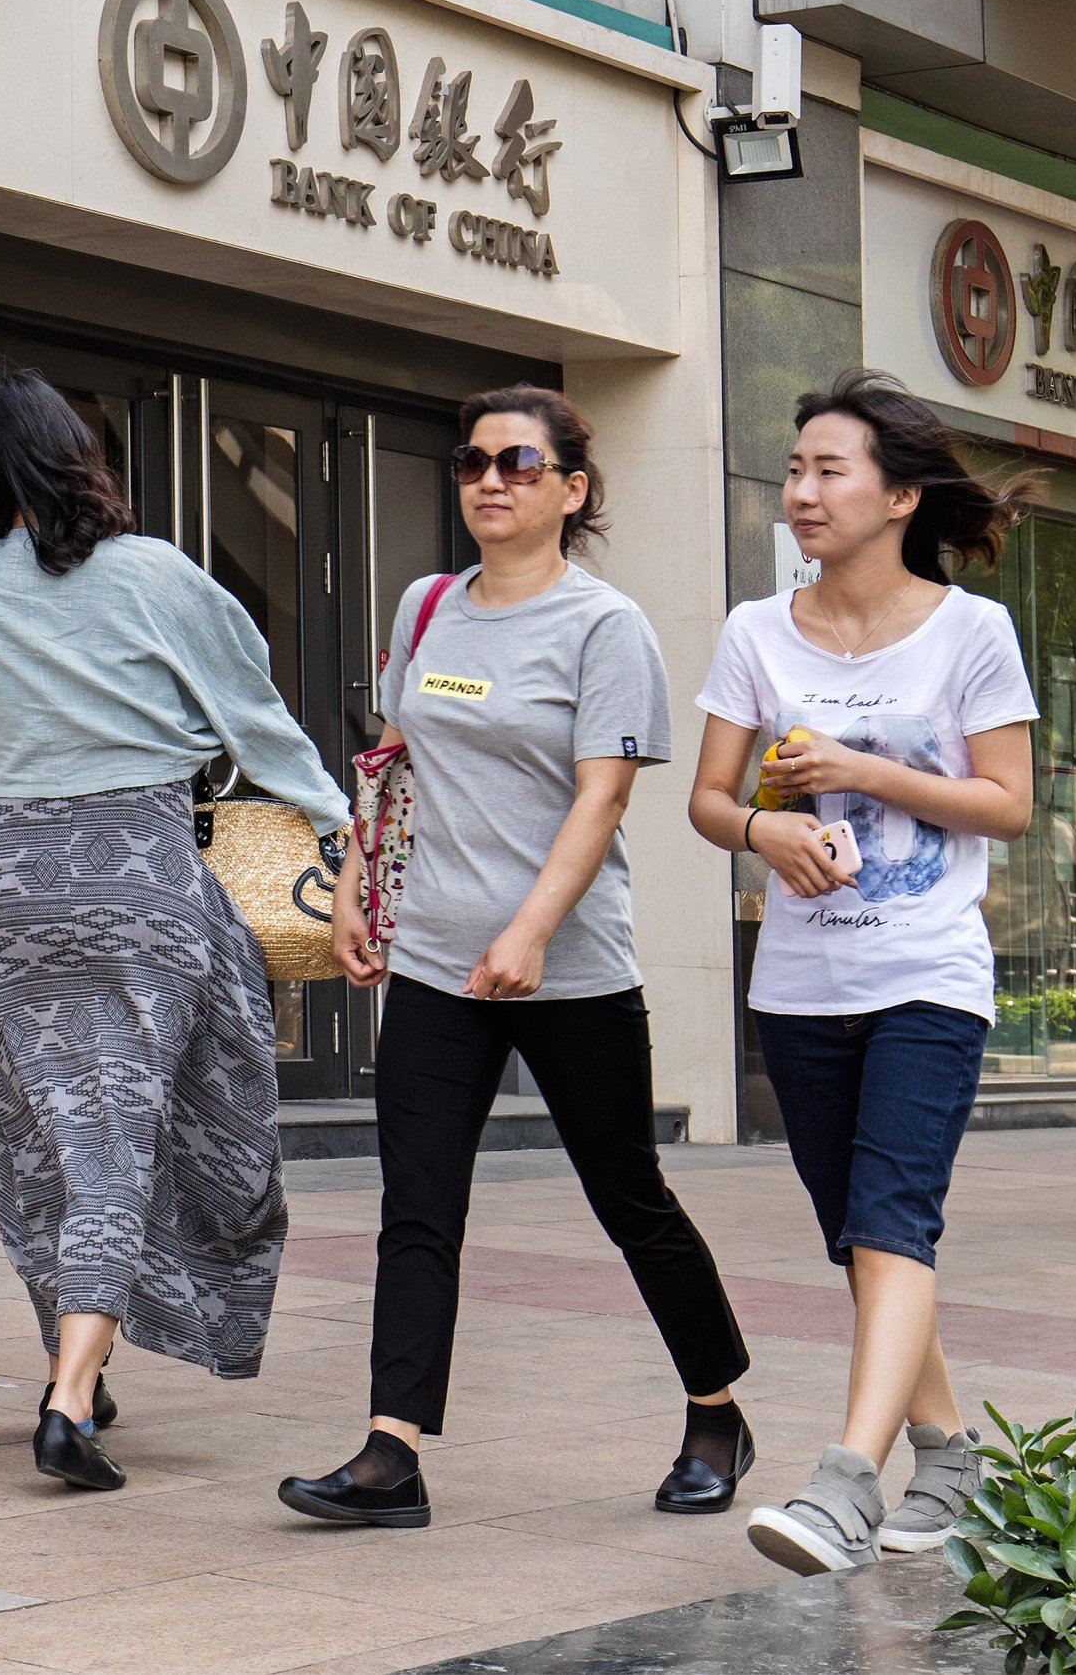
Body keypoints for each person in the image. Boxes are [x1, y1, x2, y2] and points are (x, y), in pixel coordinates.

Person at [280, 385, 754, 1531]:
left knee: (628, 1193)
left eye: (519, 463)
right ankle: (393, 1452)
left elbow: (602, 796)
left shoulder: (606, 626)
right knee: (419, 1201)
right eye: (472, 460)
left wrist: (531, 928)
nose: (490, 480)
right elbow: (392, 756)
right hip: (438, 961)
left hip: (569, 965)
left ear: (572, 488)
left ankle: (715, 1405)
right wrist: (353, 884)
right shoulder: (429, 601)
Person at [0, 372, 348, 1494]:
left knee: (48, 1136)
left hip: (6, 885)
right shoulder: (151, 574)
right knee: (119, 1139)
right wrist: (342, 822)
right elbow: (255, 716)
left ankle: (78, 1366)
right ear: (74, 458)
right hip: (140, 875)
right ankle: (66, 1398)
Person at [689, 371, 1037, 1579]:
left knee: (894, 1218)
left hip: (930, 974)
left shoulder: (970, 631)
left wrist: (866, 769)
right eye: (795, 470)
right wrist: (762, 831)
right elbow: (708, 796)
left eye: (829, 470)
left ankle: (846, 1482)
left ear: (899, 494)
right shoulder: (755, 629)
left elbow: (1010, 801)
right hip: (799, 984)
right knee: (864, 1238)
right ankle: (949, 1451)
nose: (801, 491)